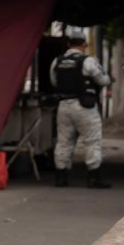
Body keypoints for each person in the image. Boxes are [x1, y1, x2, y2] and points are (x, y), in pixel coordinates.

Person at [49, 32, 112, 188]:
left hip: (63, 105)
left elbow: (54, 81)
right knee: (92, 141)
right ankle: (94, 177)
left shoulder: (57, 61)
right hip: (85, 106)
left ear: (69, 44)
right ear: (84, 44)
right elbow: (104, 80)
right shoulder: (88, 61)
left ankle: (61, 177)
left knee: (64, 141)